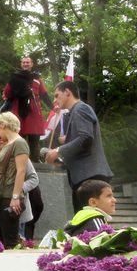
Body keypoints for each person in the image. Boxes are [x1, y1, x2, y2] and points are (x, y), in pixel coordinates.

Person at [44, 81, 114, 209]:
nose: (55, 100)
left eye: (57, 95)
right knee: (87, 223)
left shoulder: (80, 108)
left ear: (67, 92)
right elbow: (82, 145)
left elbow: (86, 138)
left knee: (90, 223)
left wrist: (58, 150)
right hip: (86, 176)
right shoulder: (76, 111)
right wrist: (62, 162)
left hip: (90, 177)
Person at [0, 111, 32, 248]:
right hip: (2, 194)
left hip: (11, 196)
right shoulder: (8, 144)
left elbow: (21, 171)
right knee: (1, 239)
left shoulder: (19, 143)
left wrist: (15, 196)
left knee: (10, 240)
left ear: (3, 125)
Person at [2, 56, 53, 156]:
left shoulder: (37, 78)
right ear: (21, 64)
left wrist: (52, 107)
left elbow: (43, 94)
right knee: (19, 135)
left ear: (31, 64)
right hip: (19, 109)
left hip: (34, 110)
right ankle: (19, 157)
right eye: (24, 62)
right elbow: (7, 93)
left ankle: (35, 158)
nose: (25, 64)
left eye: (27, 62)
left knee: (34, 136)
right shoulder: (15, 78)